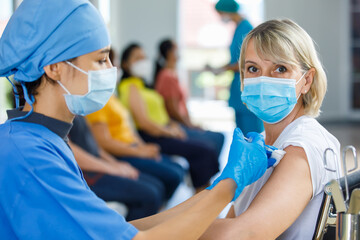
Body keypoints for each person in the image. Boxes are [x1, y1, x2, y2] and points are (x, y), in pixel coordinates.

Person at [0, 0, 272, 238]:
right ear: (54, 68)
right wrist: (229, 186)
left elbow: (125, 229)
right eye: (100, 60)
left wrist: (213, 189)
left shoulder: (42, 138)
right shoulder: (28, 155)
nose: (111, 70)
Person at [199, 19, 340, 240]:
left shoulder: (301, 147)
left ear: (307, 81)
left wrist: (152, 234)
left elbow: (241, 234)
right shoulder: (263, 146)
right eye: (253, 68)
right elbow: (231, 220)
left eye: (280, 68)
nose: (263, 80)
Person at [119, 43, 219, 192]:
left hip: (162, 131)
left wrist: (172, 125)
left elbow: (159, 114)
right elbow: (144, 122)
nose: (143, 61)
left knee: (205, 148)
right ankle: (201, 198)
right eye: (137, 58)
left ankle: (203, 194)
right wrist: (169, 132)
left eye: (144, 57)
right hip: (152, 136)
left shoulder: (142, 85)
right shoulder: (130, 86)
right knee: (203, 151)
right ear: (125, 64)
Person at [85, 95, 184, 200]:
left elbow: (129, 131)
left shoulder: (113, 98)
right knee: (170, 178)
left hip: (132, 148)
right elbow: (103, 142)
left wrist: (143, 147)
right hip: (121, 153)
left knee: (178, 168)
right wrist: (139, 152)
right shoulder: (98, 102)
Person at [69, 115, 165, 221]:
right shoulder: (57, 113)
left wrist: (116, 164)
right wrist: (112, 169)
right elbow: (70, 150)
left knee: (157, 185)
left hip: (97, 166)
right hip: (84, 176)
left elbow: (94, 146)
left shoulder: (77, 112)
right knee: (149, 195)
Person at [154, 39, 225, 159]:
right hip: (176, 125)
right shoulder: (167, 76)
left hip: (182, 124)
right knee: (216, 139)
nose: (178, 52)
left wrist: (191, 124)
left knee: (218, 137)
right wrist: (189, 126)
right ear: (170, 53)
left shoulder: (172, 74)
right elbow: (172, 110)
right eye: (176, 49)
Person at [209, 0, 263, 134]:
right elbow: (237, 59)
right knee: (242, 132)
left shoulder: (246, 29)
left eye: (220, 13)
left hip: (247, 86)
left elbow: (249, 63)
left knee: (252, 134)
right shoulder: (239, 28)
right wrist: (221, 68)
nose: (220, 17)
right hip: (239, 86)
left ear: (227, 11)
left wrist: (223, 69)